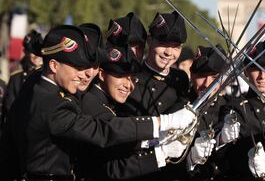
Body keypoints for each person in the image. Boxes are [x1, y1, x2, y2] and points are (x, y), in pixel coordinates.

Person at [0, 25, 196, 181]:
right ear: (53, 65)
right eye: (78, 66)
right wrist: (164, 123)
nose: (86, 73)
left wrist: (153, 144)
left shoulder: (36, 85)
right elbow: (104, 131)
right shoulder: (54, 105)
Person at [76, 43, 188, 180]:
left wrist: (155, 141)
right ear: (102, 74)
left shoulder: (107, 101)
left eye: (132, 78)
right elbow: (111, 167)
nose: (128, 85)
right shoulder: (91, 103)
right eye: (121, 76)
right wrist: (160, 151)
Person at [221, 38, 265, 180]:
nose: (262, 76)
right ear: (246, 72)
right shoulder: (233, 109)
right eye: (255, 68)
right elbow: (223, 156)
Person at [185, 45, 236, 181]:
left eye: (214, 78)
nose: (207, 84)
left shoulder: (231, 107)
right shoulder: (179, 107)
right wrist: (190, 160)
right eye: (201, 76)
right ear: (192, 74)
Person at [2, 30, 43, 124]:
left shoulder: (46, 76)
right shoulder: (16, 78)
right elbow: (9, 106)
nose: (37, 58)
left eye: (39, 55)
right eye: (33, 54)